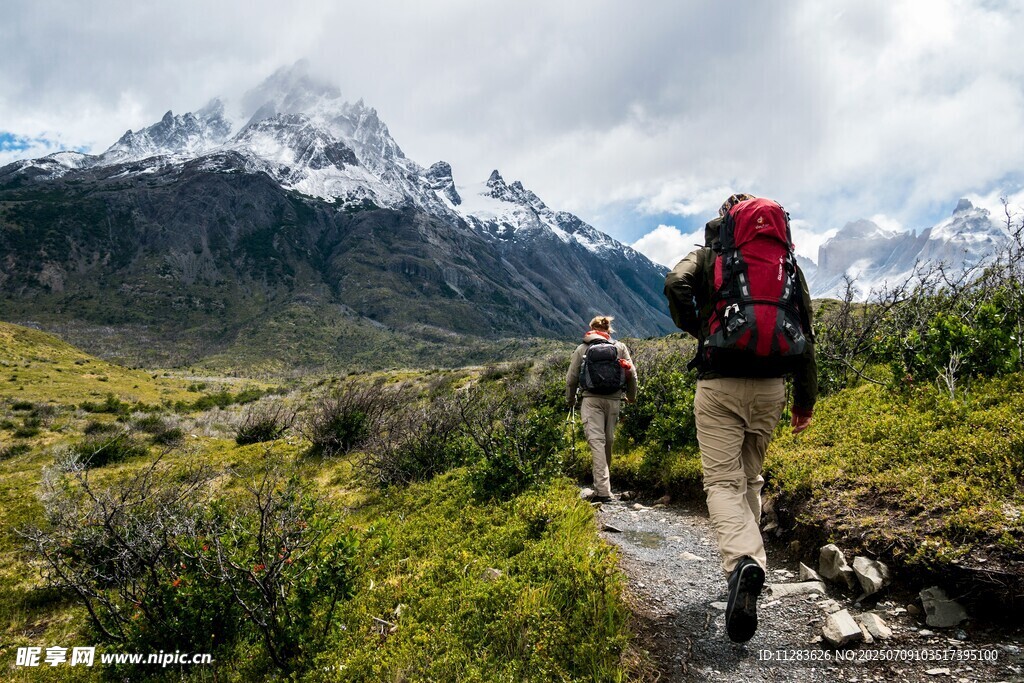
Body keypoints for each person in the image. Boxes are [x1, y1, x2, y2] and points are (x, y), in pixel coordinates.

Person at [664, 193, 817, 643]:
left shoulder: (711, 255)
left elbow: (675, 283)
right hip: (771, 388)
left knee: (721, 483)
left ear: (726, 220)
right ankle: (749, 565)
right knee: (750, 478)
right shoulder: (785, 263)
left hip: (720, 384)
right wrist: (804, 402)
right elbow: (806, 330)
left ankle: (743, 564)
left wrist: (699, 327)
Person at [565, 315, 638, 504]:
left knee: (596, 442)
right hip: (614, 400)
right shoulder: (619, 347)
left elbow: (571, 378)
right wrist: (631, 396)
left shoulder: (582, 348)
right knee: (608, 442)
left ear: (591, 328)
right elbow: (632, 374)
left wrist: (571, 399)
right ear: (609, 330)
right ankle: (604, 486)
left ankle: (603, 491)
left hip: (591, 401)